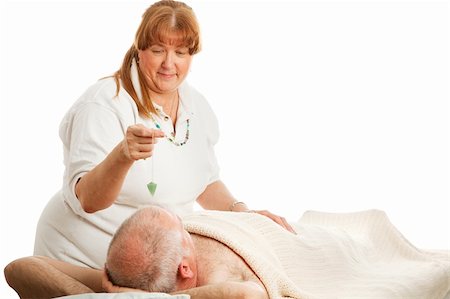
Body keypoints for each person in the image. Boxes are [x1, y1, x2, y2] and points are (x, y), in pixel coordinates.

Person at [34, 0, 294, 271]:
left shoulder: (196, 105)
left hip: (155, 258)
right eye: (158, 50)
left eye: (180, 52)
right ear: (139, 49)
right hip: (80, 260)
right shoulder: (103, 104)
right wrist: (123, 155)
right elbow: (88, 200)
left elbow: (204, 181)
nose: (168, 64)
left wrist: (243, 213)